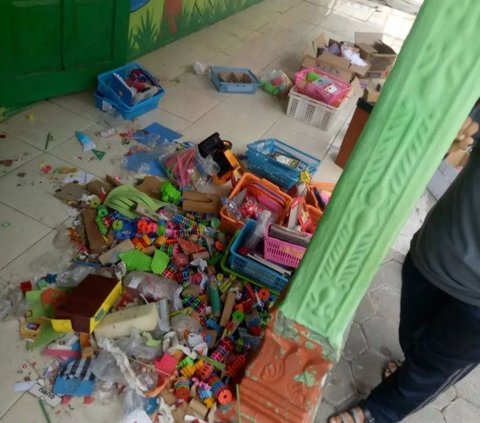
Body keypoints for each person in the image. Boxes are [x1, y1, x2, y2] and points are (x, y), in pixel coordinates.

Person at [328, 112, 480, 423]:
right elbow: (454, 138)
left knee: (432, 369)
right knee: (415, 335)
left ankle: (379, 411)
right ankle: (412, 363)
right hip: (435, 252)